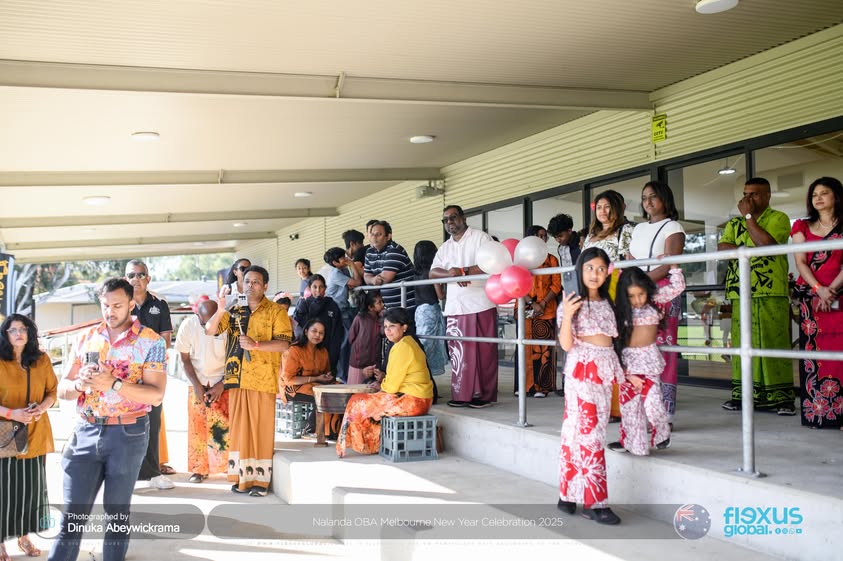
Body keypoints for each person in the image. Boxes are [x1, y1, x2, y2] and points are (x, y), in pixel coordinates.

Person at [48, 278, 166, 561]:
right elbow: (62, 390)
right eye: (105, 305)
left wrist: (113, 383)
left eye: (117, 305)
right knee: (72, 515)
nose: (110, 311)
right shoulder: (86, 338)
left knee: (116, 513)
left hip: (129, 433)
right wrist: (80, 385)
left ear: (131, 304)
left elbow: (156, 395)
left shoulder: (151, 341)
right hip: (86, 431)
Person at [205, 265, 292, 497]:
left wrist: (256, 345)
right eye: (247, 281)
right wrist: (220, 308)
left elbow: (284, 344)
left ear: (265, 286)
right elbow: (210, 330)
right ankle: (241, 478)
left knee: (260, 431)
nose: (250, 286)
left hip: (262, 379)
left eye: (256, 282)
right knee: (240, 431)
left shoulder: (276, 312)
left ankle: (260, 482)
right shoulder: (235, 310)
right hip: (237, 378)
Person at [556, 248, 623, 525]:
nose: (595, 274)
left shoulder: (608, 302)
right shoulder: (570, 302)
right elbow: (566, 344)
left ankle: (568, 495)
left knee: (578, 434)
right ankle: (595, 503)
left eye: (600, 268)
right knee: (591, 435)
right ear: (580, 270)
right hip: (582, 371)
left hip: (603, 372)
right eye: (589, 268)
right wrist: (568, 314)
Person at [718, 177, 795, 415]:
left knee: (774, 342)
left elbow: (768, 245)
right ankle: (743, 397)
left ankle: (782, 399)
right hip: (740, 292)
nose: (748, 198)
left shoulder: (779, 218)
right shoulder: (734, 223)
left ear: (768, 195)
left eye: (754, 194)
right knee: (743, 344)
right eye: (745, 194)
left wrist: (749, 218)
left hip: (771, 290)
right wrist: (751, 249)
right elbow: (723, 249)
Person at [336, 307, 434, 458]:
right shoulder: (407, 343)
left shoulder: (403, 346)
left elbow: (391, 386)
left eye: (392, 326)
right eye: (386, 327)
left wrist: (380, 388)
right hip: (419, 399)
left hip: (413, 401)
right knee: (363, 401)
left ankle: (362, 445)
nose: (388, 331)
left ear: (404, 327)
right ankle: (370, 444)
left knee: (356, 401)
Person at [608, 265, 685, 455]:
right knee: (630, 409)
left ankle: (662, 434)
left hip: (649, 364)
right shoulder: (619, 311)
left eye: (641, 294)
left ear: (647, 290)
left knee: (654, 405)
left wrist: (674, 268)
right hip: (628, 367)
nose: (637, 300)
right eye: (631, 296)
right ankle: (631, 443)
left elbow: (677, 288)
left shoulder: (654, 300)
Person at [627, 181, 686, 424]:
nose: (648, 202)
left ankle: (664, 413)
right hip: (637, 292)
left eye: (653, 196)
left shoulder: (673, 226)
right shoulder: (638, 228)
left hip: (662, 290)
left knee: (663, 350)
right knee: (638, 348)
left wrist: (641, 282)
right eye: (644, 198)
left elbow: (669, 262)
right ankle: (641, 409)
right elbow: (630, 259)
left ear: (664, 199)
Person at [0, 314, 57, 560]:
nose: (18, 333)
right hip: (4, 433)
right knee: (3, 490)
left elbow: (52, 392)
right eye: (13, 330)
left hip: (35, 432)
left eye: (23, 329)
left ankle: (23, 537)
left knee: (30, 490)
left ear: (30, 332)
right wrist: (12, 413)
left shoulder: (41, 360)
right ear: (5, 334)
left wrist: (41, 408)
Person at [430, 205, 498, 409]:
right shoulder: (445, 247)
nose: (449, 222)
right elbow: (433, 273)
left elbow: (492, 263)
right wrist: (451, 274)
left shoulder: (480, 238)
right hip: (456, 306)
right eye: (445, 220)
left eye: (453, 217)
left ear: (463, 217)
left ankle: (483, 395)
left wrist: (464, 271)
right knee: (459, 352)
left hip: (480, 303)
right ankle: (462, 394)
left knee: (484, 352)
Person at [790, 176, 843, 429]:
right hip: (811, 300)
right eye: (814, 194)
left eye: (824, 193)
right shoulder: (801, 226)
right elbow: (800, 262)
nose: (818, 198)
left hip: (839, 295)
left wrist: (831, 291)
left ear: (836, 196)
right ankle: (817, 415)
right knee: (814, 356)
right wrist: (819, 290)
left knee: (839, 354)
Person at [124, 259, 175, 488]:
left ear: (148, 278)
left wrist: (150, 358)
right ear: (125, 279)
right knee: (126, 423)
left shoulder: (159, 304)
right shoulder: (120, 304)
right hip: (126, 373)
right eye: (131, 275)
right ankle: (126, 476)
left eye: (140, 274)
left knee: (153, 422)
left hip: (153, 372)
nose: (136, 279)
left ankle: (153, 474)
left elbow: (165, 339)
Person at [175, 299, 229, 483]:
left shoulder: (228, 325)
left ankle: (224, 467)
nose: (210, 326)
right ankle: (199, 469)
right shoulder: (188, 326)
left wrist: (222, 384)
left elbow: (236, 359)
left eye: (214, 320)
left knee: (222, 426)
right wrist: (197, 385)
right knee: (197, 427)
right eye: (205, 322)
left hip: (222, 381)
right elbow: (184, 359)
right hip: (196, 380)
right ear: (198, 315)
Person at [516, 225, 560, 397]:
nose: (543, 239)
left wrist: (542, 303)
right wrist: (531, 303)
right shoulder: (520, 260)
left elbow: (556, 285)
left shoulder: (552, 259)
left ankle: (542, 388)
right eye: (539, 236)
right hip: (525, 307)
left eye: (544, 236)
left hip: (546, 309)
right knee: (524, 347)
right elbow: (516, 283)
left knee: (544, 349)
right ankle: (524, 386)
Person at [280, 319, 340, 439]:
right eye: (314, 331)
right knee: (324, 397)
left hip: (316, 385)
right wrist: (316, 378)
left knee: (340, 390)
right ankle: (311, 429)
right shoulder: (294, 350)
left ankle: (332, 431)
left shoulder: (323, 351)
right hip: (292, 389)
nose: (317, 335)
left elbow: (325, 372)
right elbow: (288, 379)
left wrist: (327, 377)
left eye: (321, 333)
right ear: (306, 331)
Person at [293, 275, 346, 376]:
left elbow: (337, 332)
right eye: (315, 287)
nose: (318, 290)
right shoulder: (303, 304)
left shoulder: (332, 305)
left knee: (327, 379)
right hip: (308, 353)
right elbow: (299, 329)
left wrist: (333, 355)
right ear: (309, 288)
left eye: (321, 287)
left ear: (325, 288)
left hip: (328, 350)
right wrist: (316, 304)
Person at [324, 247, 362, 382]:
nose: (345, 258)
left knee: (348, 341)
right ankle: (342, 375)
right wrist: (352, 264)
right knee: (345, 342)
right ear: (335, 262)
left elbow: (355, 282)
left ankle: (345, 374)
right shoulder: (336, 274)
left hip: (344, 309)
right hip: (337, 311)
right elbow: (357, 282)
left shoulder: (342, 270)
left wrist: (351, 266)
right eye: (342, 257)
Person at [364, 220, 417, 310]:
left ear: (388, 236)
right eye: (372, 234)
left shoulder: (394, 250)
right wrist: (373, 280)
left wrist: (373, 279)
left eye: (378, 234)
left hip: (407, 306)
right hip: (389, 307)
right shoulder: (369, 252)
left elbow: (386, 278)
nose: (374, 237)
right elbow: (366, 276)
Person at [413, 240, 447, 376]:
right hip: (431, 309)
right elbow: (441, 295)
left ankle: (420, 373)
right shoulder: (431, 273)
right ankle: (425, 375)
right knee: (430, 346)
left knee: (422, 342)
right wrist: (444, 283)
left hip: (419, 310)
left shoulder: (415, 273)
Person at [583, 190, 634, 262]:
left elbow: (626, 263)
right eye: (599, 207)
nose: (602, 211)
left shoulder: (626, 230)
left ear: (616, 209)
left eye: (607, 207)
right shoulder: (590, 235)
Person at [347, 290, 384, 385]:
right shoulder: (359, 318)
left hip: (374, 365)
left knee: (371, 390)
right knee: (355, 389)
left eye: (382, 301)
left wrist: (383, 318)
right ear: (370, 307)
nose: (383, 304)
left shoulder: (380, 320)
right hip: (358, 364)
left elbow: (383, 333)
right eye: (379, 302)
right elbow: (351, 337)